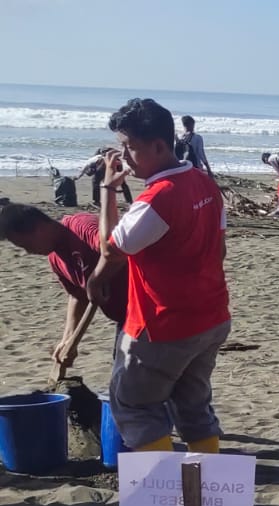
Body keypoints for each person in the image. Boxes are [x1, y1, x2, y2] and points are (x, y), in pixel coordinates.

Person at [92, 97, 231, 454]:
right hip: (210, 316)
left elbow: (111, 249)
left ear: (157, 145)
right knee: (193, 407)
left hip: (163, 323)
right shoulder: (204, 183)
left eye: (130, 147)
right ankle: (203, 493)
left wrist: (108, 189)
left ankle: (168, 498)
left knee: (135, 408)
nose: (125, 157)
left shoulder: (159, 199)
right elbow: (220, 250)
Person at [0, 203, 129, 372]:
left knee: (133, 384)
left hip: (150, 313)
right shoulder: (55, 259)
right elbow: (77, 296)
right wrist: (68, 340)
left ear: (39, 228)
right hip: (125, 321)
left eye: (26, 245)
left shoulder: (81, 227)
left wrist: (95, 280)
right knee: (123, 378)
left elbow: (118, 252)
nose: (28, 252)